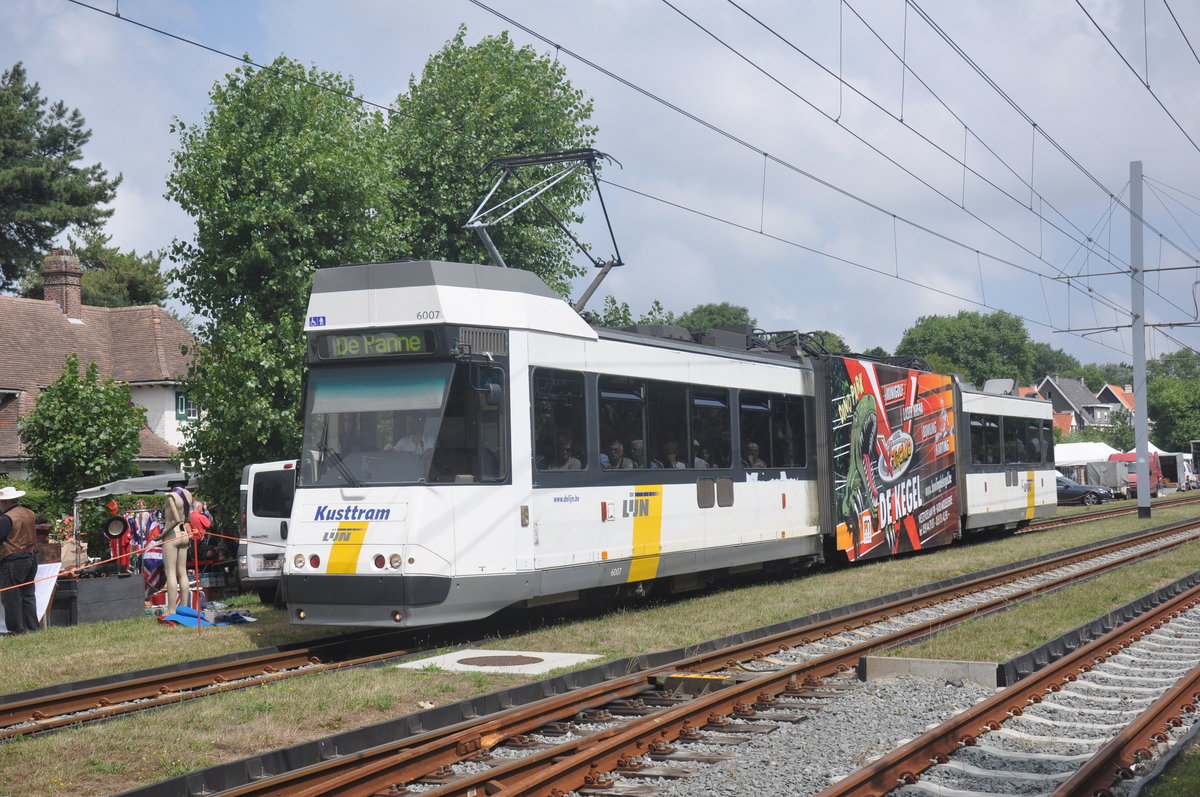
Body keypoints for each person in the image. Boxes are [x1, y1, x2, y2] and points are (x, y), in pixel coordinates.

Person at [0, 486, 39, 634]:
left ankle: (17, 630)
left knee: (11, 597)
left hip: (13, 559)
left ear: (4, 503)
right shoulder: (29, 513)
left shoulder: (7, 518)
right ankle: (32, 627)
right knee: (28, 595)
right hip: (31, 556)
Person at [161, 487, 201, 614]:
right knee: (182, 572)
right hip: (184, 535)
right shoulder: (188, 495)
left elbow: (176, 519)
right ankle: (184, 608)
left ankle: (171, 609)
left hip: (171, 535)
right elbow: (186, 519)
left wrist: (161, 536)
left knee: (171, 573)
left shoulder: (170, 496)